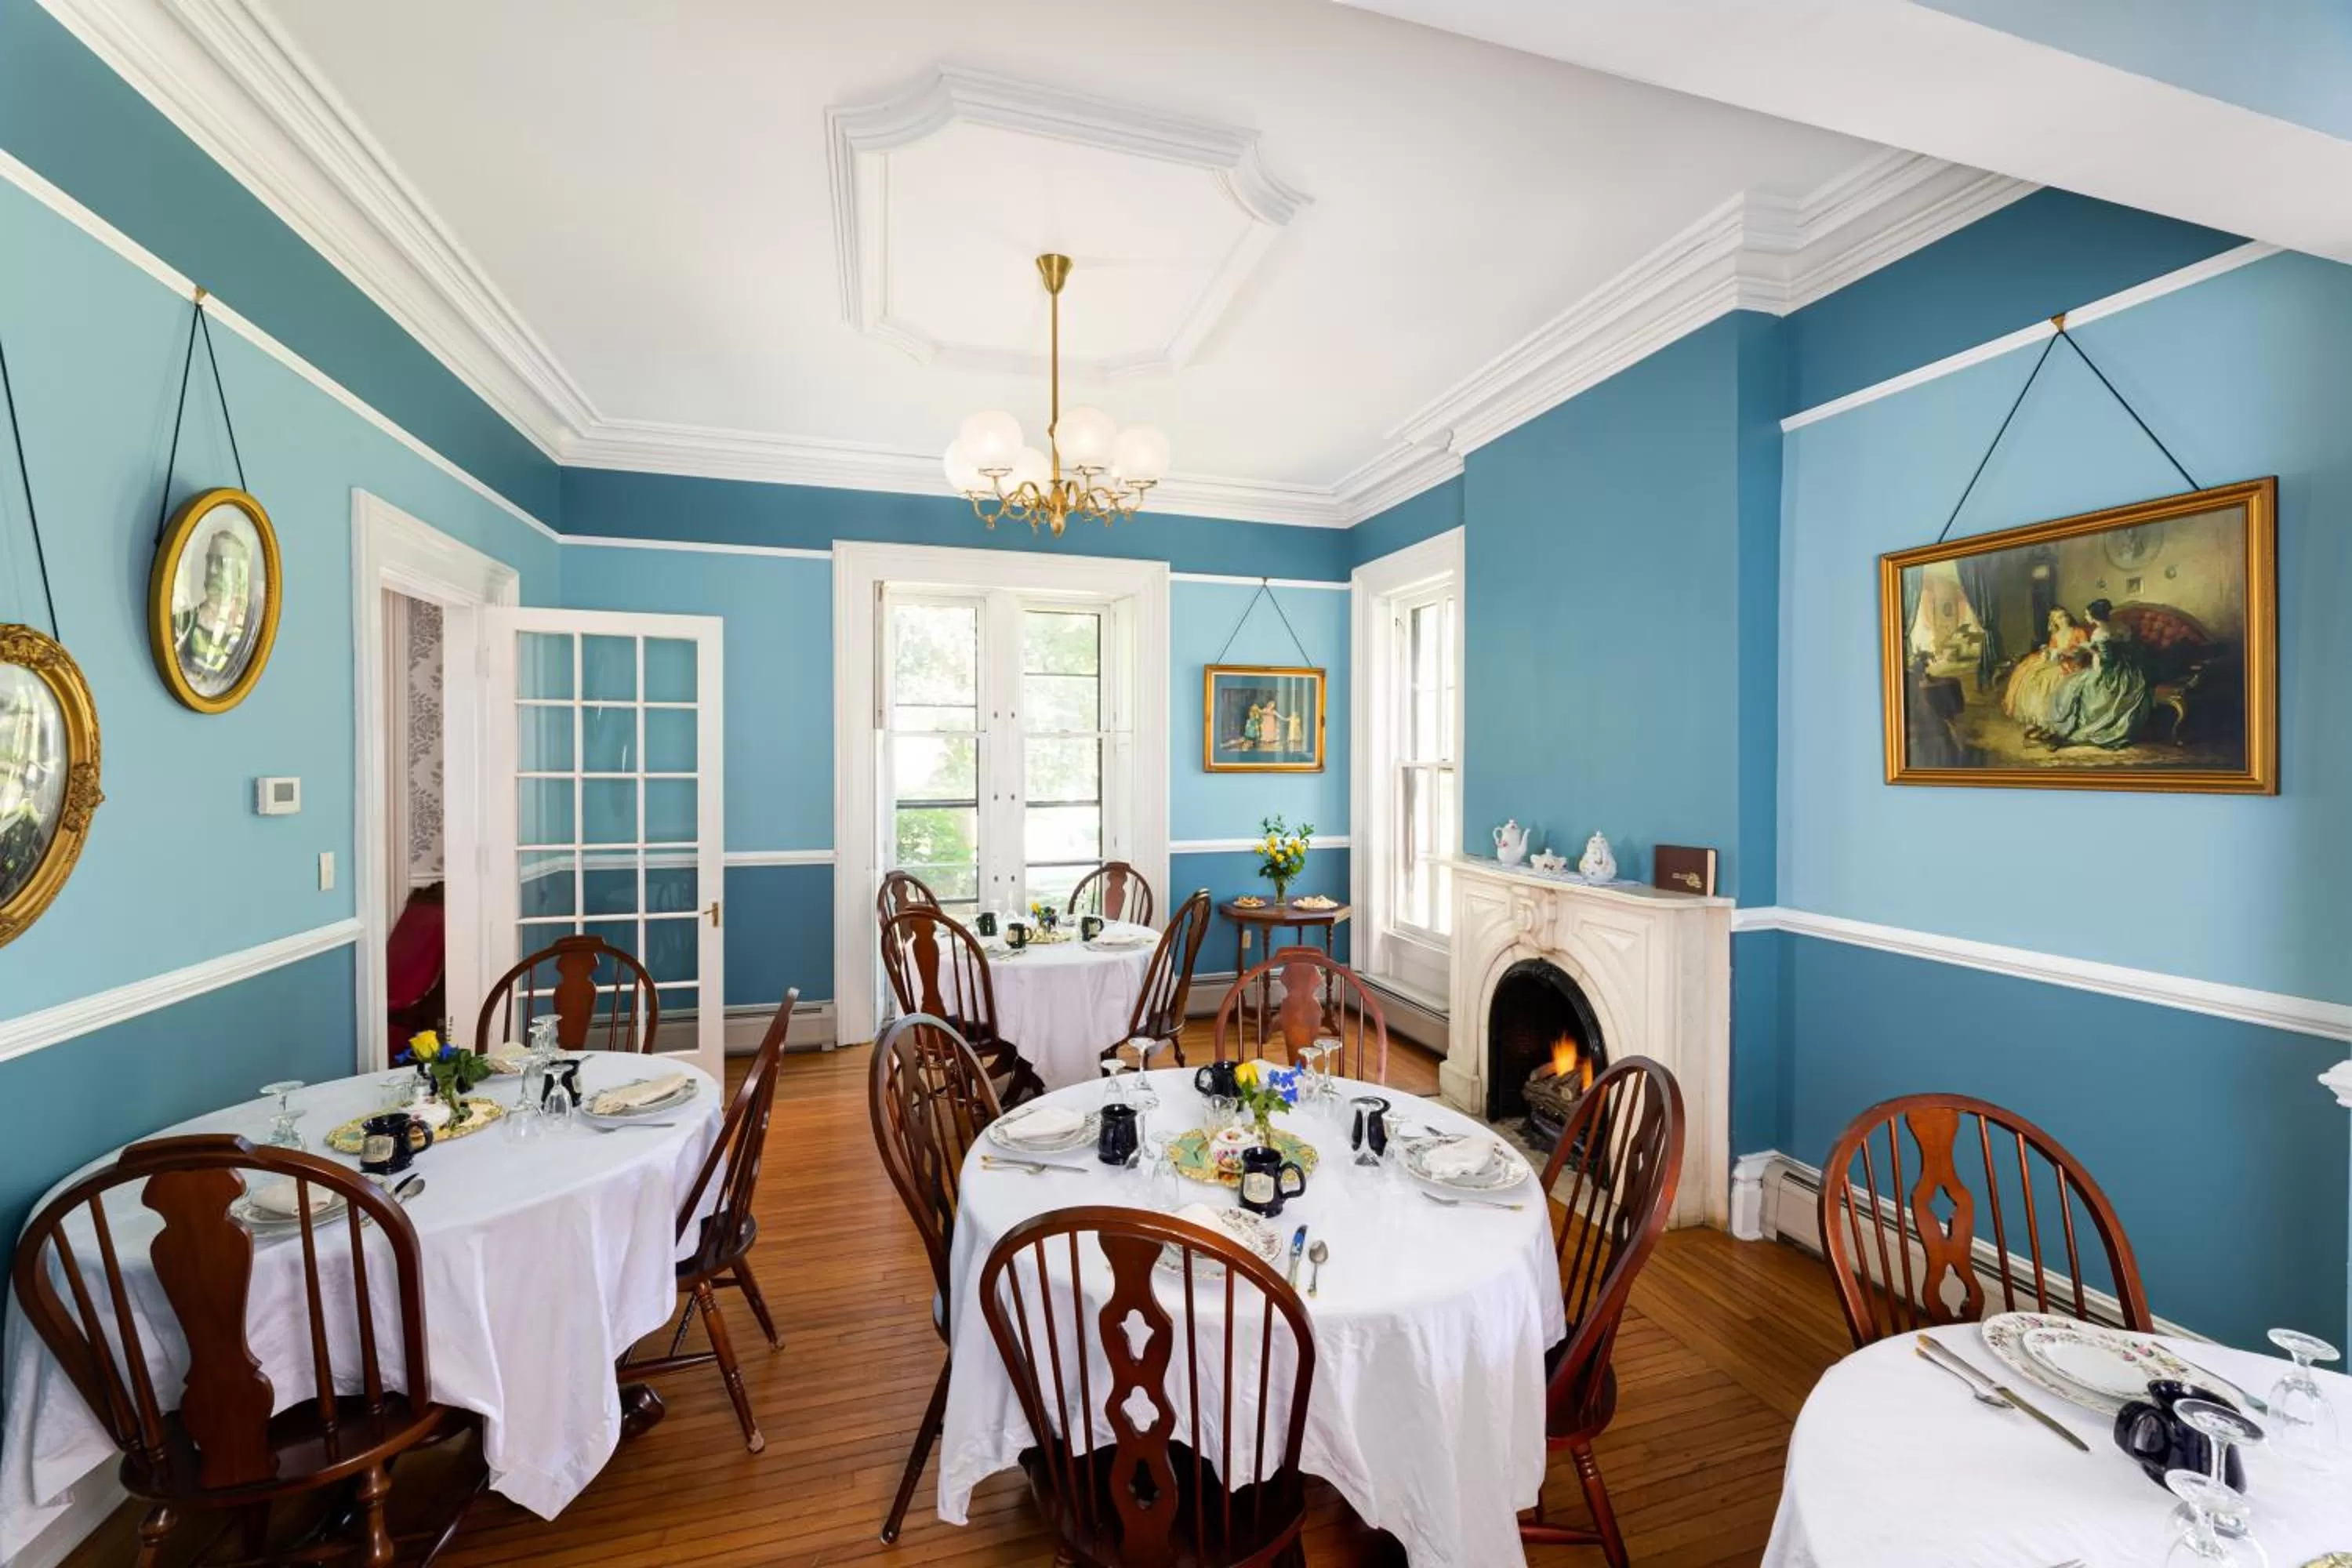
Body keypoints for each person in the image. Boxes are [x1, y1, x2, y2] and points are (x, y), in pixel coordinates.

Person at [2046, 599, 2151, 749]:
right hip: (2128, 669)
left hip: (2108, 671)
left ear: (2094, 617)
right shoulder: (2123, 627)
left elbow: (2107, 659)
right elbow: (2127, 649)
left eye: (2087, 615)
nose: (2085, 617)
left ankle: (2076, 728)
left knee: (2074, 687)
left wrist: (2089, 649)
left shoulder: (2099, 633)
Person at [173, 525, 255, 692]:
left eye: (221, 563)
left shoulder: (249, 633)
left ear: (240, 576)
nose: (211, 570)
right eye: (210, 561)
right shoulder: (183, 623)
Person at [2002, 607, 2089, 734]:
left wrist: (2066, 653)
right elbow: (2054, 655)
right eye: (2060, 617)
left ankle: (2051, 723)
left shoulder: (2078, 632)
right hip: (2060, 664)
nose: (2064, 619)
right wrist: (2049, 652)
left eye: (2065, 616)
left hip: (2075, 665)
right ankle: (2037, 720)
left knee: (2048, 680)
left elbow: (2084, 652)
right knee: (2034, 677)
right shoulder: (2055, 636)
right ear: (2054, 622)